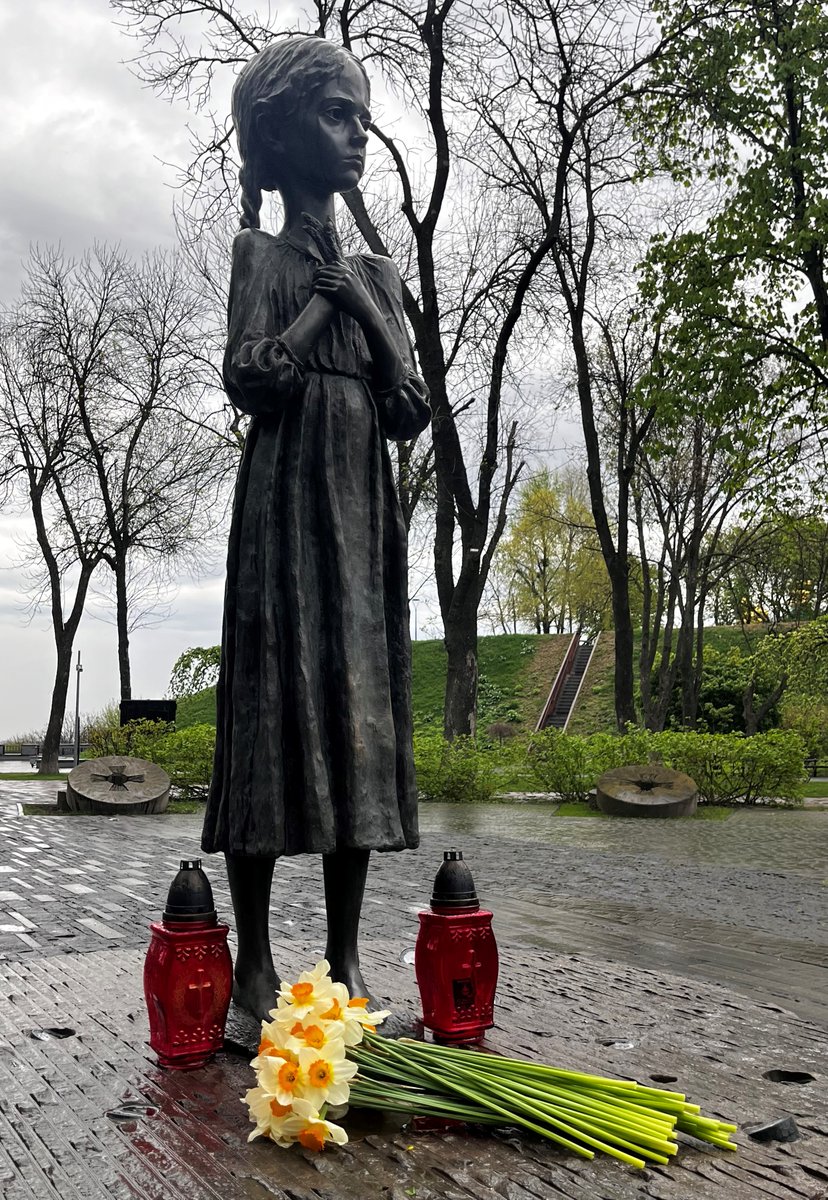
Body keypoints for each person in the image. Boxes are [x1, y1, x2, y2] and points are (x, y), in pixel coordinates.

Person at [201, 35, 431, 1021]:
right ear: (281, 137)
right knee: (267, 710)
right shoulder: (259, 254)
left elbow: (410, 407)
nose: (356, 135)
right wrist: (309, 317)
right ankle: (254, 960)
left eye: (360, 114)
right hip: (284, 502)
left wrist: (365, 314)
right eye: (336, 116)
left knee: (358, 712)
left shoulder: (377, 272)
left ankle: (343, 957)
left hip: (358, 509)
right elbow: (251, 377)